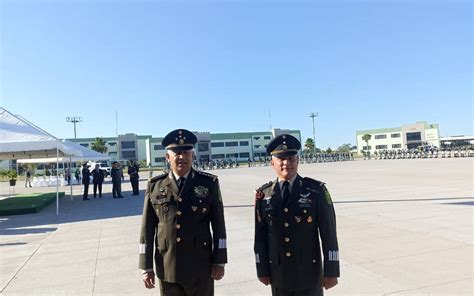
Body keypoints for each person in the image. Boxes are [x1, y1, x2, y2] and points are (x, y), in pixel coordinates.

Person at [139, 129, 227, 296]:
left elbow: (219, 225)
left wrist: (220, 260)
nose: (182, 157)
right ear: (167, 157)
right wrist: (146, 266)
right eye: (176, 153)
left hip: (200, 267)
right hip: (167, 268)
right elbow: (147, 230)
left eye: (186, 152)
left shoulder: (208, 184)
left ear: (192, 156)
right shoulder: (155, 186)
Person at [254, 134, 340, 296]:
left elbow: (329, 234)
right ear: (272, 162)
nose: (287, 163)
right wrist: (262, 268)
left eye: (291, 158)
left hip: (309, 273)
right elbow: (260, 236)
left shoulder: (316, 191)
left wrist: (332, 270)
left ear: (298, 161)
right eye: (281, 159)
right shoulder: (263, 194)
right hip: (278, 273)